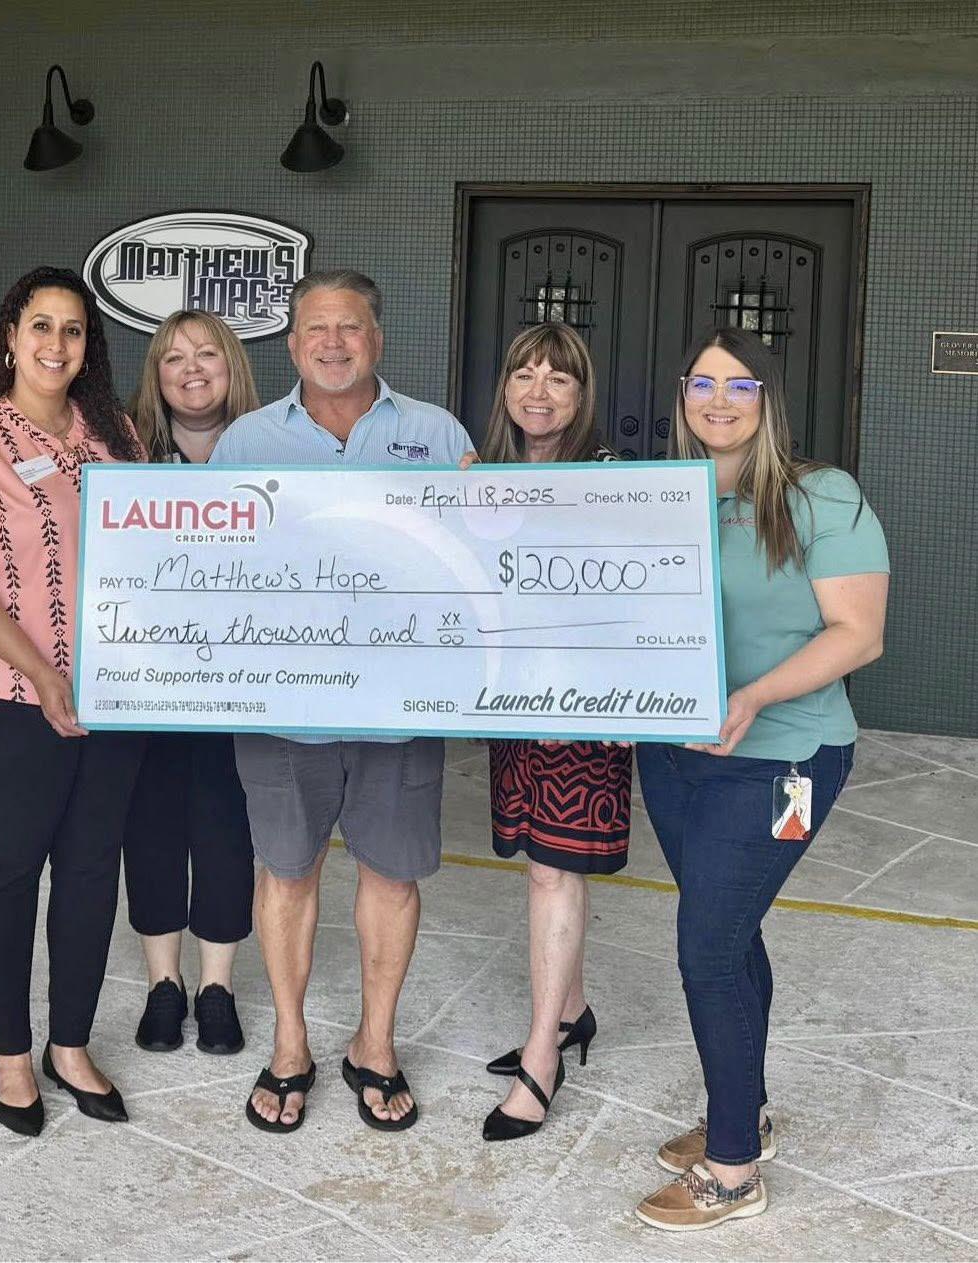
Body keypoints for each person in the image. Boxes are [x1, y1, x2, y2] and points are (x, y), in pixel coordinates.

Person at [633, 327, 888, 1231]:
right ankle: (746, 1111)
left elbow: (860, 634)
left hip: (785, 756)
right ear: (682, 394)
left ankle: (733, 1167)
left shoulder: (823, 496)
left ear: (768, 399)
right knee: (729, 935)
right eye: (703, 382)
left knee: (707, 949)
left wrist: (753, 695)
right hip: (672, 755)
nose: (719, 400)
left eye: (740, 385)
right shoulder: (661, 494)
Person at [209, 269, 474, 1133]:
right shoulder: (246, 442)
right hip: (284, 708)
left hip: (402, 708)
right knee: (287, 872)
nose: (333, 343)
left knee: (392, 875)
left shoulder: (436, 434)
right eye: (316, 329)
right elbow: (208, 570)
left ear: (377, 339)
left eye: (350, 327)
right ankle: (290, 1044)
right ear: (291, 345)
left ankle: (376, 1044)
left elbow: (476, 560)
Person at [0, 266, 147, 1137]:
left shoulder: (116, 434)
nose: (58, 344)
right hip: (11, 697)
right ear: (11, 338)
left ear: (90, 346)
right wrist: (43, 671)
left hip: (114, 696)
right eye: (42, 326)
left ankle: (70, 1044)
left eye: (74, 330)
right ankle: (12, 1052)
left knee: (92, 868)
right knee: (13, 867)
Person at [470, 323, 633, 1142]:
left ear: (581, 394)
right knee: (545, 862)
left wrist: (642, 697)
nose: (539, 391)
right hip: (514, 703)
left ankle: (542, 1058)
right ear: (505, 387)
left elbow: (642, 596)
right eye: (525, 374)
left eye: (558, 379)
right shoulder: (485, 477)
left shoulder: (609, 480)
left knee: (551, 870)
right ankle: (570, 1010)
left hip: (585, 706)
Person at [123, 311, 260, 1055]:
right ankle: (164, 984)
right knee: (149, 825)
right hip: (147, 677)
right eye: (174, 357)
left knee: (225, 826)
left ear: (232, 365)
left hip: (242, 680)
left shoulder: (269, 449)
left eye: (208, 354)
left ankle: (216, 986)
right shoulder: (123, 451)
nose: (192, 368)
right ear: (157, 374)